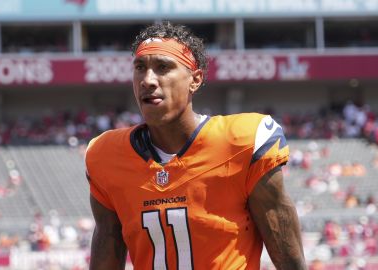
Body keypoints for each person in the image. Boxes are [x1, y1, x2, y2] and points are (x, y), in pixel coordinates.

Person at [85, 22, 306, 270]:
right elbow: (108, 244)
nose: (148, 80)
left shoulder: (242, 142)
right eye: (140, 68)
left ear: (195, 79)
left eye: (163, 67)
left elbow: (288, 256)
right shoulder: (105, 155)